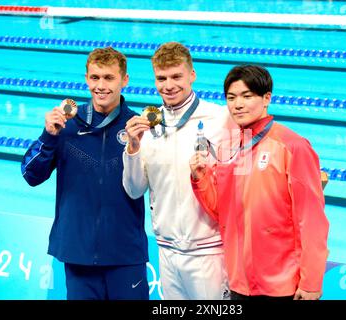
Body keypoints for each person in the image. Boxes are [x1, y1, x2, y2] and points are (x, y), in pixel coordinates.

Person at [189, 65, 329, 300]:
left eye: (247, 96)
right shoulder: (232, 145)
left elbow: (311, 219)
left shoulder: (291, 146)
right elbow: (224, 212)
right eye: (231, 98)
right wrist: (200, 178)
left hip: (283, 285)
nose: (238, 104)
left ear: (266, 98)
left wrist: (311, 282)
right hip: (240, 283)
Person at [21, 47, 149, 300]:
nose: (100, 86)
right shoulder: (66, 125)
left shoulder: (138, 127)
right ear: (86, 78)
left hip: (125, 254)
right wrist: (49, 136)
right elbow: (30, 175)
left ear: (125, 80)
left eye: (109, 78)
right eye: (95, 77)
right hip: (77, 253)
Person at [123, 42, 235, 300]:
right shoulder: (146, 124)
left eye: (176, 76)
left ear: (192, 75)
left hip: (209, 252)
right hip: (167, 251)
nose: (169, 85)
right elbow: (133, 189)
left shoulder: (220, 119)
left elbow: (243, 181)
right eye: (161, 78)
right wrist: (133, 146)